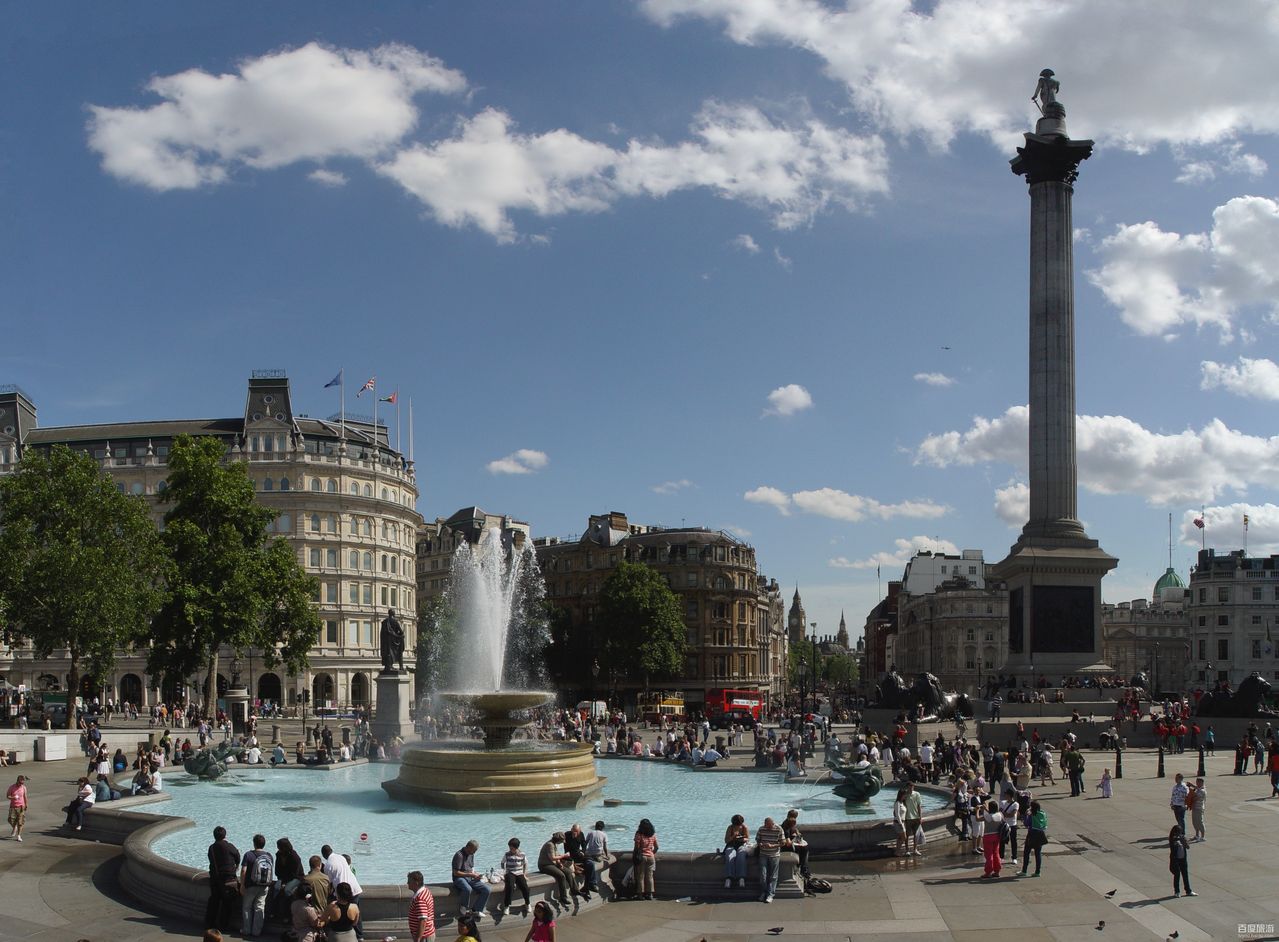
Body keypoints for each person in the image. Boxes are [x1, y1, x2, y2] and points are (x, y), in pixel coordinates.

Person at [321, 844, 364, 937]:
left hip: (342, 891)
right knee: (356, 913)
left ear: (323, 855)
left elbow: (329, 882)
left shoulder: (328, 865)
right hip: (354, 887)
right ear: (331, 850)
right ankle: (359, 936)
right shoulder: (341, 857)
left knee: (341, 915)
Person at [205, 826, 241, 933]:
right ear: (225, 835)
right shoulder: (229, 846)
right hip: (228, 878)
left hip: (215, 878)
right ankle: (223, 925)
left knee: (214, 901)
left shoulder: (211, 847)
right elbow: (238, 857)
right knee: (227, 903)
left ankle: (209, 924)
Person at [239, 833, 274, 938]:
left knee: (247, 907)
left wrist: (242, 884)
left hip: (251, 885)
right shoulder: (269, 856)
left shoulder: (248, 855)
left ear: (254, 844)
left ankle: (246, 930)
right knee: (260, 907)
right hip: (264, 886)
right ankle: (256, 931)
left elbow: (243, 871)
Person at [451, 839, 491, 918]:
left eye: (475, 851)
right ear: (468, 847)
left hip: (470, 877)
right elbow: (456, 872)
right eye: (473, 851)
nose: (474, 853)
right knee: (468, 889)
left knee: (487, 889)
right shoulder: (459, 855)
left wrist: (476, 875)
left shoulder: (471, 854)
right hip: (459, 878)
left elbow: (471, 868)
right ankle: (464, 906)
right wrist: (470, 874)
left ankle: (476, 910)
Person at [538, 831, 576, 906]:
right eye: (561, 841)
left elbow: (556, 855)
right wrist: (564, 856)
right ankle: (563, 897)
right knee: (561, 875)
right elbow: (552, 858)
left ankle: (574, 890)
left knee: (568, 871)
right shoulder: (550, 845)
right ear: (558, 840)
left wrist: (559, 863)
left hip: (552, 864)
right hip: (545, 865)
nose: (562, 843)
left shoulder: (554, 844)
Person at [755, 815, 783, 903]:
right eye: (766, 825)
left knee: (773, 876)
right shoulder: (761, 829)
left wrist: (773, 845)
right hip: (763, 854)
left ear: (772, 824)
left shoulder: (779, 829)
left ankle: (770, 894)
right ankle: (764, 892)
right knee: (763, 875)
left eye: (769, 826)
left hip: (774, 854)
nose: (768, 828)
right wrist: (761, 844)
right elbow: (757, 840)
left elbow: (783, 842)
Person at [500, 837, 530, 915]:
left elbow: (525, 864)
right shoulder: (507, 854)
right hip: (510, 873)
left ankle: (528, 903)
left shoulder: (522, 854)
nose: (510, 848)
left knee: (525, 887)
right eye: (509, 847)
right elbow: (502, 863)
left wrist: (524, 874)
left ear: (516, 847)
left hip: (519, 873)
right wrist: (504, 871)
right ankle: (507, 906)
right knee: (509, 886)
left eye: (511, 847)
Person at [633, 818, 659, 901]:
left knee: (640, 876)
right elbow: (657, 847)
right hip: (651, 857)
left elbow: (636, 847)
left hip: (642, 857)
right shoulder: (653, 834)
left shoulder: (639, 834)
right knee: (650, 876)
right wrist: (652, 853)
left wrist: (635, 856)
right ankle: (650, 894)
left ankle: (640, 895)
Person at [1020, 800, 1048, 877]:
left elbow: (1026, 824)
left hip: (1032, 834)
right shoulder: (1042, 814)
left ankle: (1024, 870)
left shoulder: (1031, 815)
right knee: (1038, 853)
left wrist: (1026, 815)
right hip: (1041, 834)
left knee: (1027, 852)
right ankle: (1037, 872)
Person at [407, 870, 436, 942]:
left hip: (424, 937)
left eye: (409, 881)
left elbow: (423, 921)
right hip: (427, 934)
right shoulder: (425, 891)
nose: (407, 883)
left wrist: (418, 938)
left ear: (416, 883)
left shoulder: (420, 899)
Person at [722, 814, 750, 887]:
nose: (738, 826)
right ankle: (729, 878)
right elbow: (726, 840)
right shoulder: (730, 828)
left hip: (742, 844)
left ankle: (741, 878)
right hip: (731, 845)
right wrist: (733, 837)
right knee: (729, 856)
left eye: (739, 825)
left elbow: (747, 838)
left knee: (741, 856)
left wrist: (743, 839)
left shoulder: (744, 827)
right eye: (736, 825)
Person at [1168, 825, 1196, 897]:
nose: (1179, 834)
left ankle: (1188, 890)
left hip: (1183, 859)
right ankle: (1177, 891)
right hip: (1176, 860)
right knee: (1177, 875)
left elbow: (1188, 847)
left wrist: (1183, 841)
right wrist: (1177, 840)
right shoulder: (1172, 839)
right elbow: (1173, 847)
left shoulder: (1182, 839)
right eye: (1178, 833)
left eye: (1180, 833)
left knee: (1185, 875)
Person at [583, 820, 609, 893]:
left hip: (589, 854)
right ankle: (592, 884)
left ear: (595, 826)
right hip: (598, 854)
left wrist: (583, 852)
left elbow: (585, 843)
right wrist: (607, 856)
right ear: (603, 827)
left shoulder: (590, 833)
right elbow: (605, 848)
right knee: (601, 856)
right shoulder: (604, 834)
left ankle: (587, 885)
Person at [781, 808, 810, 876]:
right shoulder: (786, 826)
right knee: (804, 849)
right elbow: (788, 843)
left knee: (805, 849)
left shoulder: (789, 823)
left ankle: (804, 868)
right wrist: (794, 840)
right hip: (788, 847)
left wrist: (797, 833)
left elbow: (794, 829)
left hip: (792, 844)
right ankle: (803, 869)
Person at [981, 800, 1004, 878]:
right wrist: (987, 809)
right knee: (996, 853)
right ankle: (997, 871)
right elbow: (993, 815)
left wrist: (978, 810)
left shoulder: (987, 816)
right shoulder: (1000, 815)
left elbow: (977, 819)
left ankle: (988, 872)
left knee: (988, 855)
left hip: (988, 836)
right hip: (997, 836)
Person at [901, 781, 923, 857]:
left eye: (912, 787)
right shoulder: (905, 795)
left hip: (916, 817)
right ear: (907, 787)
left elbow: (919, 806)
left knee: (916, 835)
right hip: (907, 818)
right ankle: (907, 850)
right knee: (907, 835)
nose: (911, 788)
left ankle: (915, 849)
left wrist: (920, 817)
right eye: (909, 787)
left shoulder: (917, 794)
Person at [7, 774, 27, 842]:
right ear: (17, 781)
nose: (21, 784)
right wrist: (13, 797)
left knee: (20, 822)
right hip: (13, 806)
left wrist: (26, 804)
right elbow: (8, 796)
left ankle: (19, 836)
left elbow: (25, 796)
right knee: (10, 820)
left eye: (23, 783)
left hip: (21, 806)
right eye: (20, 782)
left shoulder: (23, 787)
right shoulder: (12, 787)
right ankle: (14, 827)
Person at [1189, 777, 1206, 842]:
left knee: (1200, 822)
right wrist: (1191, 785)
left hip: (1199, 808)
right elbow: (1197, 788)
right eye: (1196, 782)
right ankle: (1197, 835)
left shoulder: (1202, 791)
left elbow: (1195, 798)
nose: (1197, 784)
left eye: (1198, 782)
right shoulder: (1198, 788)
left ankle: (1202, 836)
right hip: (1194, 807)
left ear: (1202, 783)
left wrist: (1189, 797)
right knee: (1195, 822)